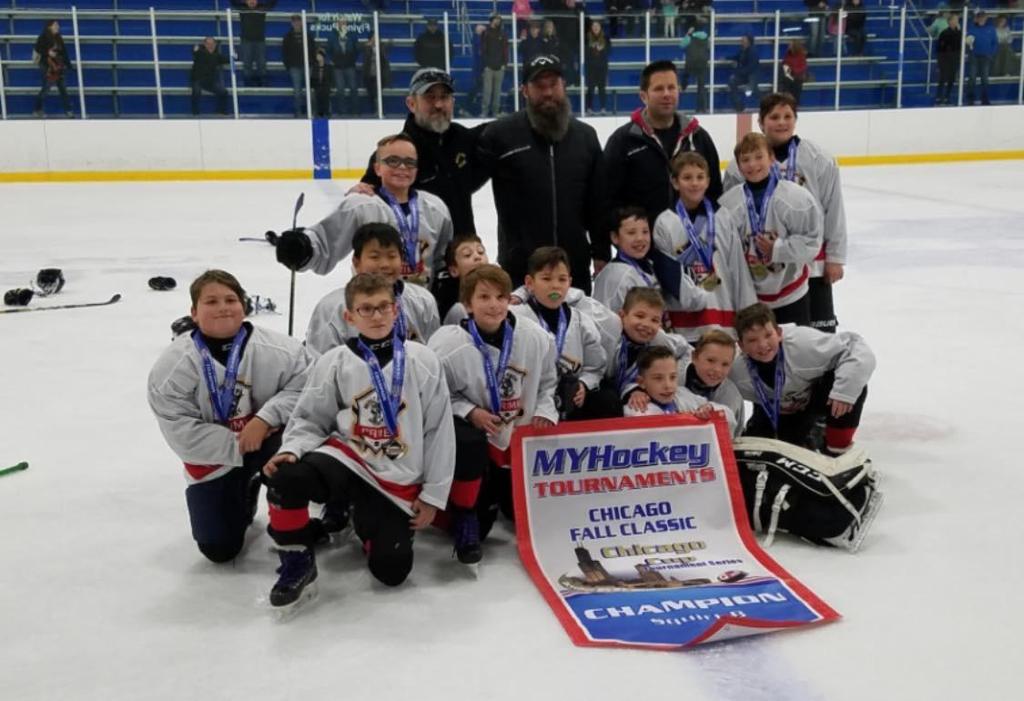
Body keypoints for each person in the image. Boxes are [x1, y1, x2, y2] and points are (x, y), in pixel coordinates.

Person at [262, 273, 459, 607]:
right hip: (349, 459)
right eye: (366, 309)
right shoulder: (334, 361)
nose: (377, 316)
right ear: (349, 316)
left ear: (396, 310)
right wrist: (292, 448)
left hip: (397, 476)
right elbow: (310, 417)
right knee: (285, 478)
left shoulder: (423, 360)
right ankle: (297, 560)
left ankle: (365, 520)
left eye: (383, 307)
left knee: (392, 572)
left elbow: (439, 430)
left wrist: (433, 495)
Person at [147, 270, 315, 564]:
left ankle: (292, 537)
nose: (223, 307)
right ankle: (244, 487)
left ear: (243, 306)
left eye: (230, 299)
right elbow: (179, 429)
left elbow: (309, 386)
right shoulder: (174, 365)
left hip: (270, 441)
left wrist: (264, 419)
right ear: (194, 313)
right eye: (211, 301)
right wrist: (240, 440)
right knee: (219, 550)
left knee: (289, 469)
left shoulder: (281, 350)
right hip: (214, 457)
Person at [427, 264, 558, 537]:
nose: (494, 305)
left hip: (517, 441)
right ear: (467, 304)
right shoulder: (448, 346)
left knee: (517, 512)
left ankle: (495, 491)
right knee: (482, 527)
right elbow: (436, 397)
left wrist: (546, 409)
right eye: (484, 297)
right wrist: (469, 411)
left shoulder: (535, 337)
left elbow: (548, 381)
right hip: (478, 442)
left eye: (500, 297)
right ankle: (455, 507)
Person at [477, 54, 608, 294]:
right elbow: (465, 183)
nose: (548, 92)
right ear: (525, 91)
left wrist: (601, 252)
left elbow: (598, 202)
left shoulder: (586, 137)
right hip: (520, 269)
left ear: (564, 86)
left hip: (573, 269)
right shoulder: (501, 134)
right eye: (539, 85)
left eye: (553, 84)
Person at [723, 93, 847, 333]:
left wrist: (835, 257)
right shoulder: (740, 165)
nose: (781, 122)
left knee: (816, 335)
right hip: (761, 271)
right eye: (774, 117)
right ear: (761, 122)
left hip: (812, 263)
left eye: (787, 116)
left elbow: (833, 208)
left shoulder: (818, 158)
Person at [275, 134, 453, 290]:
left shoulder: (435, 208)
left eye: (410, 162)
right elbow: (325, 243)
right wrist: (303, 247)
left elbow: (443, 260)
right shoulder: (360, 206)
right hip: (371, 304)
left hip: (421, 305)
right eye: (393, 161)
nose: (402, 167)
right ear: (377, 168)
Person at [355, 69, 489, 238]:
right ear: (411, 104)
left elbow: (503, 132)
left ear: (452, 102)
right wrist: (361, 192)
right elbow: (368, 202)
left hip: (463, 249)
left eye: (444, 97)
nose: (438, 105)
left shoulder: (464, 139)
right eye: (430, 97)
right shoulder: (391, 155)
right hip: (416, 251)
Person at [730, 302, 875, 455]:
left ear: (779, 333)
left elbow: (854, 347)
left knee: (852, 385)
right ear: (741, 345)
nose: (762, 345)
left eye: (768, 335)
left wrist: (844, 392)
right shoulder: (733, 366)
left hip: (815, 401)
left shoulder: (803, 343)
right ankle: (802, 436)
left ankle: (836, 448)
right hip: (774, 411)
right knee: (765, 454)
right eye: (752, 340)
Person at [718, 132, 822, 327]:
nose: (752, 164)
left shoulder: (797, 198)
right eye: (745, 160)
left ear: (772, 158)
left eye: (759, 157)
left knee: (794, 345)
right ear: (738, 165)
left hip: (792, 296)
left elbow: (811, 243)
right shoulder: (728, 205)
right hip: (750, 300)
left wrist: (778, 249)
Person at [604, 60, 723, 228]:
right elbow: (607, 200)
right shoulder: (623, 141)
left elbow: (714, 192)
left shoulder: (698, 137)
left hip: (695, 240)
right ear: (643, 96)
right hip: (644, 241)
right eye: (659, 89)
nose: (667, 94)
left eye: (672, 87)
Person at [653, 152, 756, 343]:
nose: (694, 183)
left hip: (723, 318)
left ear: (708, 181)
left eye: (700, 177)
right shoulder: (665, 222)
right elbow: (667, 275)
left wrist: (748, 314)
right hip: (684, 325)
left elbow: (737, 268)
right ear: (675, 182)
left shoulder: (723, 217)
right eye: (687, 178)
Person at [511, 247, 620, 420]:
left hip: (570, 398)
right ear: (530, 283)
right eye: (546, 279)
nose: (555, 285)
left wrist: (584, 384)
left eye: (562, 279)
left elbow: (595, 367)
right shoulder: (516, 318)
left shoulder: (582, 321)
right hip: (530, 397)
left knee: (607, 401)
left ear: (569, 283)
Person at [305, 223, 441, 354]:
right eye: (375, 257)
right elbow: (320, 363)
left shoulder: (423, 301)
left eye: (391, 256)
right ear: (356, 262)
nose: (385, 264)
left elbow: (433, 355)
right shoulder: (331, 308)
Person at [604, 287, 692, 404]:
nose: (646, 324)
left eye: (654, 320)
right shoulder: (608, 334)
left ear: (660, 324)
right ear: (622, 315)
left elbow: (686, 348)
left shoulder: (659, 340)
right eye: (640, 316)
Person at [623, 347, 732, 433]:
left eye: (673, 377)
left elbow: (729, 417)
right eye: (658, 378)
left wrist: (711, 409)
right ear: (641, 382)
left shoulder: (683, 394)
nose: (668, 385)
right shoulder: (635, 411)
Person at [593, 207, 662, 313]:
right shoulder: (616, 277)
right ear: (615, 237)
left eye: (645, 232)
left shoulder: (650, 265)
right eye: (631, 233)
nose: (640, 238)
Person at [680, 329, 745, 435]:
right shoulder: (672, 378)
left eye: (725, 364)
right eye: (710, 360)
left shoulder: (732, 397)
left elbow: (732, 435)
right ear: (694, 357)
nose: (717, 369)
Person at [436, 234, 489, 324]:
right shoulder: (453, 308)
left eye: (481, 252)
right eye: (467, 255)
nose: (477, 257)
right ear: (454, 270)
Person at [32, 19, 73, 118]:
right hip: (47, 66)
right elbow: (38, 49)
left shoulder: (59, 38)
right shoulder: (43, 37)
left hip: (58, 65)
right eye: (55, 25)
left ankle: (68, 111)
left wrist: (68, 65)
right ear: (49, 27)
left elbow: (64, 52)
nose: (57, 27)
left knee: (63, 89)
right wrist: (48, 53)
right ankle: (37, 109)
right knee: (46, 88)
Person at [231, 0, 276, 87]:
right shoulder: (243, 8)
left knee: (261, 63)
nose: (252, 1)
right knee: (247, 63)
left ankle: (263, 82)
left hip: (260, 40)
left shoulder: (262, 8)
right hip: (246, 41)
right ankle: (248, 83)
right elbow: (233, 2)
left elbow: (272, 3)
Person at [283, 14, 316, 117]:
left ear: (301, 22)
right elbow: (285, 52)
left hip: (308, 66)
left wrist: (312, 63)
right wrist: (288, 66)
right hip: (294, 67)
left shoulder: (308, 36)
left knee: (310, 91)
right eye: (295, 21)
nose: (297, 23)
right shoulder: (288, 37)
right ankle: (298, 114)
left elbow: (313, 50)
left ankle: (312, 112)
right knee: (297, 91)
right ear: (292, 23)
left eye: (298, 21)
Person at [189, 37, 230, 116]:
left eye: (212, 44)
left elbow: (227, 60)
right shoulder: (200, 53)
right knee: (196, 91)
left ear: (215, 45)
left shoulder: (217, 56)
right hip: (198, 80)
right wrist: (195, 49)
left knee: (224, 92)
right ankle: (195, 113)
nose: (211, 46)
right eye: (208, 44)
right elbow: (195, 52)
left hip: (210, 82)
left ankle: (221, 112)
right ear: (205, 44)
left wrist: (234, 56)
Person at [328, 18, 360, 115]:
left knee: (353, 88)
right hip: (337, 67)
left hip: (350, 65)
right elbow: (329, 50)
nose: (342, 24)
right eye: (340, 23)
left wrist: (352, 60)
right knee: (340, 89)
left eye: (344, 23)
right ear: (337, 24)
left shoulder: (352, 35)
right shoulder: (332, 35)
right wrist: (333, 60)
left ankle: (355, 111)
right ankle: (342, 112)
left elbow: (356, 49)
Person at [480, 14, 510, 118]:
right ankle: (484, 112)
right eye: (496, 19)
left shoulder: (503, 34)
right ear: (491, 20)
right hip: (489, 66)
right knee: (487, 91)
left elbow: (506, 50)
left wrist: (504, 64)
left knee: (497, 92)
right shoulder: (486, 33)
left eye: (499, 20)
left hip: (499, 66)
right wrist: (485, 64)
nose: (498, 21)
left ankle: (495, 112)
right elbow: (482, 49)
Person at [967, 10, 997, 105]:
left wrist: (991, 53)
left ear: (986, 18)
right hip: (974, 56)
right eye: (980, 17)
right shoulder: (972, 28)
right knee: (972, 77)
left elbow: (995, 42)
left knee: (985, 78)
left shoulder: (991, 29)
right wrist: (969, 43)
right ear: (977, 18)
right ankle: (970, 97)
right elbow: (968, 40)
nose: (981, 19)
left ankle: (984, 97)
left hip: (986, 56)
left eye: (983, 17)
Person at [680, 22, 710, 112]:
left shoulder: (690, 36)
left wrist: (688, 33)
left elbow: (682, 45)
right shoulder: (706, 37)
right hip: (702, 64)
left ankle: (683, 87)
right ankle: (702, 108)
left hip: (691, 64)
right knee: (701, 87)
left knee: (685, 78)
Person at [585, 20, 612, 114]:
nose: (596, 28)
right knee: (590, 88)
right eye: (594, 26)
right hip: (591, 67)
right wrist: (592, 49)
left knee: (602, 88)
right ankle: (589, 108)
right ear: (591, 28)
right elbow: (584, 52)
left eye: (597, 26)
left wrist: (602, 49)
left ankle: (603, 108)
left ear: (600, 28)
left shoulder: (606, 38)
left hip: (602, 67)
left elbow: (609, 51)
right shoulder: (587, 38)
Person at [728, 34, 760, 113]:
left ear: (748, 41)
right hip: (745, 75)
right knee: (732, 82)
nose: (741, 41)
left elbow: (751, 67)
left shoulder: (752, 52)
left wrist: (738, 73)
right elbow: (737, 57)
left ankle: (767, 104)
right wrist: (726, 58)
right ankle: (739, 106)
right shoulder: (743, 50)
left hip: (752, 75)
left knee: (753, 90)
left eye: (743, 40)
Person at [362, 31, 391, 114]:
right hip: (369, 74)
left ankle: (379, 110)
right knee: (372, 93)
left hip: (380, 74)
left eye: (376, 37)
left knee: (377, 92)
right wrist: (370, 47)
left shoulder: (381, 47)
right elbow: (366, 57)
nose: (375, 39)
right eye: (373, 37)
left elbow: (388, 46)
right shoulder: (367, 48)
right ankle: (375, 110)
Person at [936, 13, 961, 105]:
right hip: (945, 59)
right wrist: (941, 60)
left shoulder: (959, 33)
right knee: (943, 78)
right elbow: (940, 48)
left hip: (954, 58)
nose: (956, 21)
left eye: (957, 20)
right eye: (954, 19)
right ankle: (939, 96)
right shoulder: (944, 33)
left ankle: (947, 96)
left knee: (951, 78)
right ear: (949, 21)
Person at [779, 39, 810, 104]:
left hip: (797, 77)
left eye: (790, 45)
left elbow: (803, 67)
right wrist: (788, 69)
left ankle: (794, 103)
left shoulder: (801, 56)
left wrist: (793, 70)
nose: (788, 46)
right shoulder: (788, 55)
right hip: (789, 76)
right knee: (786, 81)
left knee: (796, 86)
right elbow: (785, 63)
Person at [311, 48, 334, 118]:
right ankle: (319, 114)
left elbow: (331, 78)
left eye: (319, 56)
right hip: (317, 87)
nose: (318, 57)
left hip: (326, 87)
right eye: (317, 56)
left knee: (325, 96)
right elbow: (313, 78)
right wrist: (313, 87)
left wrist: (330, 87)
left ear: (323, 57)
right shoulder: (315, 67)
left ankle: (327, 113)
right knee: (317, 96)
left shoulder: (329, 67)